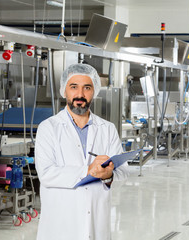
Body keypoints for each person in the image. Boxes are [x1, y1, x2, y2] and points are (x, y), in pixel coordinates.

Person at [35, 63, 129, 240]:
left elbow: (123, 173)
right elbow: (46, 174)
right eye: (74, 87)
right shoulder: (49, 128)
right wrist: (88, 171)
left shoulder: (107, 129)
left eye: (87, 88)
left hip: (96, 223)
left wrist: (108, 175)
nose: (80, 94)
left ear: (95, 91)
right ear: (64, 91)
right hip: (60, 225)